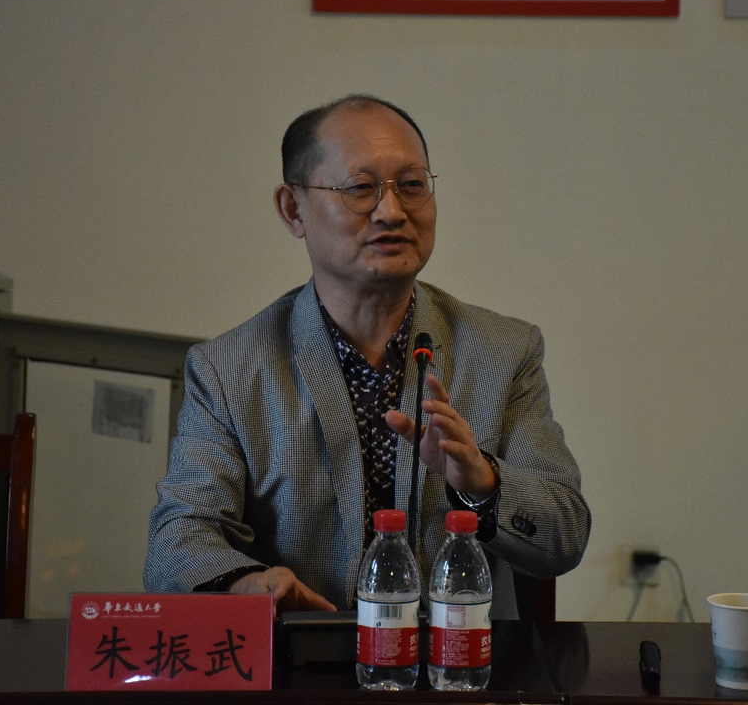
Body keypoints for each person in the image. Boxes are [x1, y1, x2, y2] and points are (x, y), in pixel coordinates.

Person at [144, 94, 590, 618]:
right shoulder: (228, 369)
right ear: (293, 210)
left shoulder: (503, 350)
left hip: (459, 662)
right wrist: (248, 586)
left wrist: (482, 483)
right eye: (360, 188)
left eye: (412, 185)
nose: (392, 211)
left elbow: (565, 534)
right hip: (305, 660)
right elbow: (177, 541)